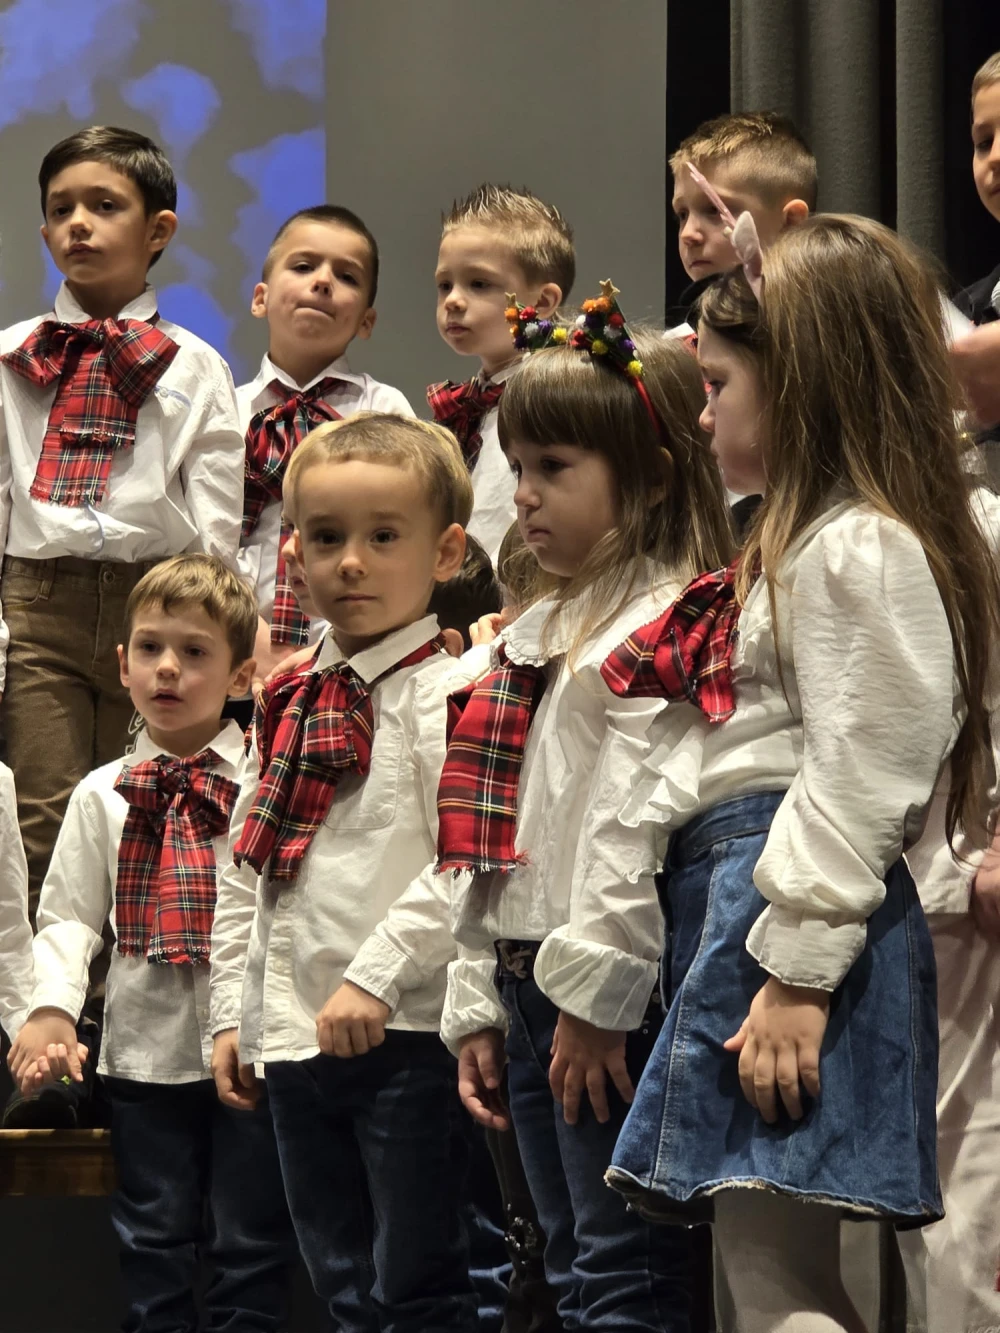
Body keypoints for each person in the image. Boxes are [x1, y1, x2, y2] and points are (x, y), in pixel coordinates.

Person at [600, 215, 1000, 1333]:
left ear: (804, 383)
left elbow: (865, 764)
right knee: (758, 1260)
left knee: (775, 1277)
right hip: (766, 908)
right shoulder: (811, 536)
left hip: (788, 920)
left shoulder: (856, 543)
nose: (704, 407)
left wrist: (796, 972)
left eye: (721, 380)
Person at [439, 287, 734, 1331]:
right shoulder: (539, 626)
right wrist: (476, 994)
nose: (523, 495)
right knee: (560, 1267)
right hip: (524, 978)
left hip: (597, 989)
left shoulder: (662, 622)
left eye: (554, 470)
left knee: (624, 1271)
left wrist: (598, 997)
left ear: (650, 476)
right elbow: (495, 833)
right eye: (517, 469)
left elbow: (631, 822)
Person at [210, 413, 482, 1332]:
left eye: (382, 537)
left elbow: (466, 856)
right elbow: (248, 865)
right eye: (328, 539)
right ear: (294, 553)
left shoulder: (448, 691)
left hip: (401, 1029)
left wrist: (375, 974)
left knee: (422, 1279)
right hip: (293, 1035)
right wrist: (236, 1013)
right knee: (338, 1279)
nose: (352, 563)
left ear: (446, 552)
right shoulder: (287, 691)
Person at [8, 554, 296, 1333]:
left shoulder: (267, 781)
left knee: (251, 1247)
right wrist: (52, 1009)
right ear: (122, 666)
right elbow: (68, 915)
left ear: (241, 674)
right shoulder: (100, 791)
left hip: (251, 1048)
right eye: (149, 648)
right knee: (152, 1243)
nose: (168, 667)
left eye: (195, 652)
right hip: (143, 1056)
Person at [0, 125, 244, 913]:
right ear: (43, 233)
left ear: (158, 231)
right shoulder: (12, 356)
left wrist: (212, 623)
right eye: (61, 208)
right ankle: (48, 1018)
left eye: (104, 205)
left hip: (158, 608)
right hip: (37, 604)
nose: (79, 223)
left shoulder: (195, 363)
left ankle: (117, 1019)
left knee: (143, 810)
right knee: (43, 817)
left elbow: (215, 517)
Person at [238, 205, 415, 687]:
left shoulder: (383, 408)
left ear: (366, 320)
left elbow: (398, 539)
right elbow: (205, 537)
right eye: (302, 266)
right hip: (228, 651)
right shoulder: (225, 410)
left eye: (346, 276)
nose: (322, 282)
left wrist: (332, 642)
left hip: (353, 653)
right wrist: (238, 631)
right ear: (260, 298)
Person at [429, 183, 575, 562]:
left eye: (479, 284)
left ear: (542, 302)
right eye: (445, 285)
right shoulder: (466, 406)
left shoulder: (560, 398)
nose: (454, 300)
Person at [667, 111, 814, 336]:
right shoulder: (677, 345)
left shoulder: (817, 333)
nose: (688, 234)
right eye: (682, 215)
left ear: (791, 223)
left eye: (714, 210)